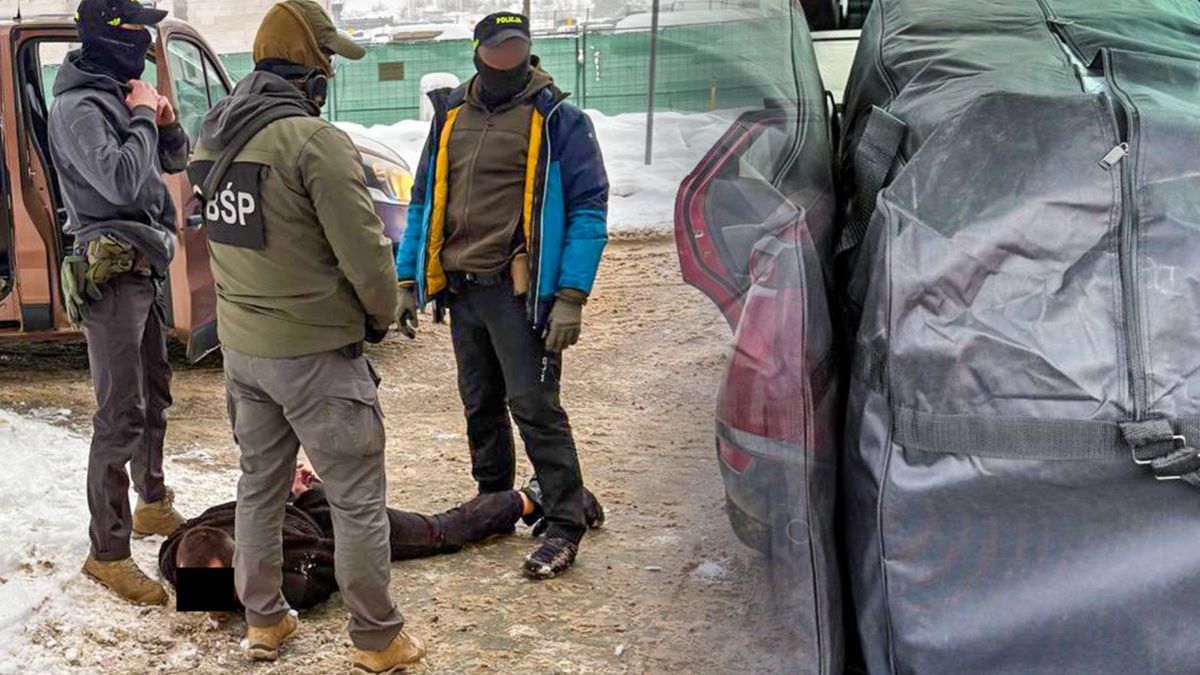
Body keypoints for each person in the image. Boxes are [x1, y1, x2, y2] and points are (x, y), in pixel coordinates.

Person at [186, 1, 416, 670]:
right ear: (311, 71)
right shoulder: (314, 142)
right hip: (316, 354)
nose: (331, 78)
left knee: (260, 485)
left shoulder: (214, 134)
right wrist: (380, 313)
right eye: (329, 63)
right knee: (356, 499)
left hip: (245, 352)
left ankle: (265, 621)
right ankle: (377, 637)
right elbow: (368, 255)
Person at [395, 11, 610, 581]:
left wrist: (571, 294)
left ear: (529, 49)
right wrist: (407, 278)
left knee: (535, 408)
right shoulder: (451, 116)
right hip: (463, 291)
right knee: (480, 406)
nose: (507, 55)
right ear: (478, 51)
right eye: (497, 46)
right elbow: (422, 202)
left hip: (521, 295)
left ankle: (565, 524)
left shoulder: (559, 118)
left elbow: (589, 208)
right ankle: (495, 502)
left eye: (517, 45)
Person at [49, 0, 189, 606]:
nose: (144, 40)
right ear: (109, 35)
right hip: (110, 276)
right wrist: (138, 116)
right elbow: (122, 183)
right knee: (118, 416)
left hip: (145, 267)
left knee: (155, 394)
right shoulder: (79, 107)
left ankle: (151, 503)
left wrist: (163, 117)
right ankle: (106, 553)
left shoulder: (117, 93)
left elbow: (172, 160)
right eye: (134, 30)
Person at [160, 461, 606, 610]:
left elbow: (343, 561)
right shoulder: (181, 556)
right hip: (283, 504)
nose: (207, 602)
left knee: (439, 531)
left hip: (325, 516)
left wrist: (308, 493)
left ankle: (534, 496)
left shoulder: (291, 572)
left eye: (220, 590)